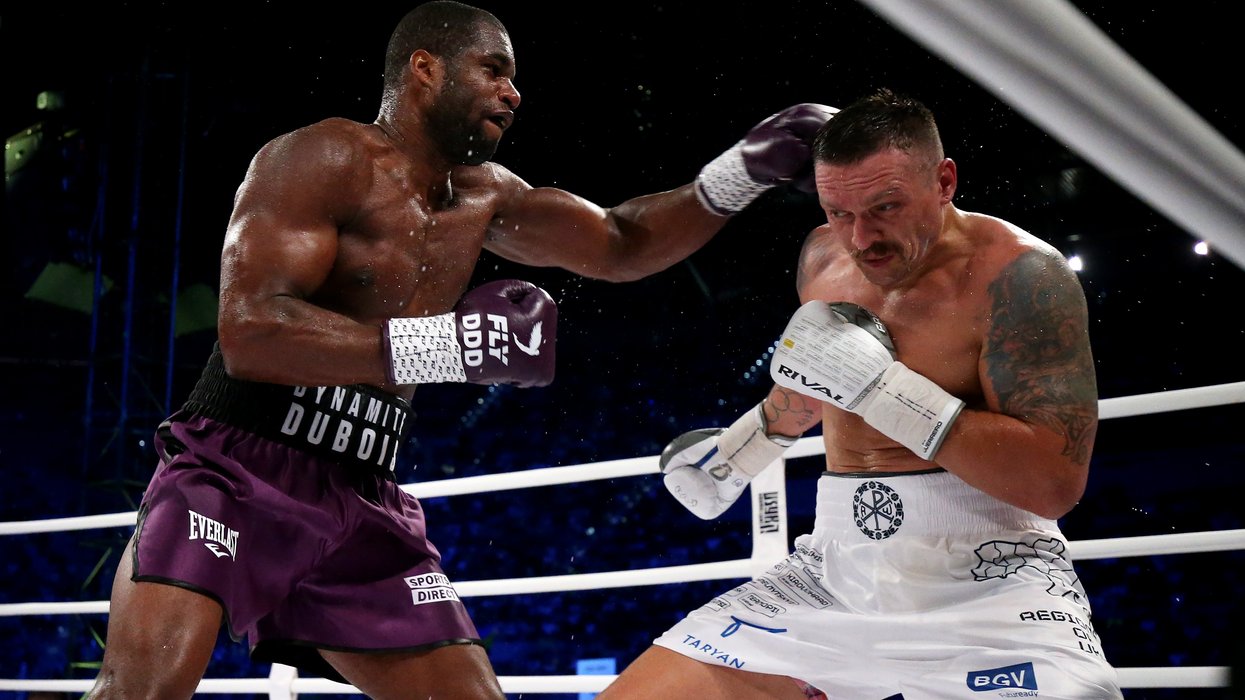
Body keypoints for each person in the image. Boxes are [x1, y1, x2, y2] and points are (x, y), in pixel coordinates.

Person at [83, 3, 835, 699]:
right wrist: (448, 347)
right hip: (237, 469)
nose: (513, 93)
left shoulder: (485, 196)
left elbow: (619, 243)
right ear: (425, 68)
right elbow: (250, 332)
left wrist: (742, 171)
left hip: (362, 491)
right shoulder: (323, 157)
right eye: (493, 70)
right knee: (142, 692)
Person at [599, 88, 1123, 699]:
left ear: (944, 181)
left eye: (886, 207)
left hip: (992, 576)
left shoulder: (1020, 277)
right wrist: (736, 455)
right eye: (839, 212)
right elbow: (822, 380)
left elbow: (1052, 484)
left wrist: (883, 390)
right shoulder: (823, 256)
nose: (861, 237)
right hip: (834, 570)